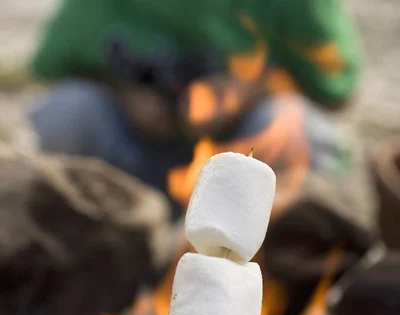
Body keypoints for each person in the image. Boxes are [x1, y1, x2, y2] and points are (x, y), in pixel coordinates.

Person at [29, 0, 360, 207]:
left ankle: (282, 272)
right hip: (130, 172)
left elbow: (336, 88)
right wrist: (124, 93)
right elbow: (53, 65)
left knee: (301, 126)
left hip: (239, 180)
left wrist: (248, 93)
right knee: (68, 111)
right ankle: (86, 255)